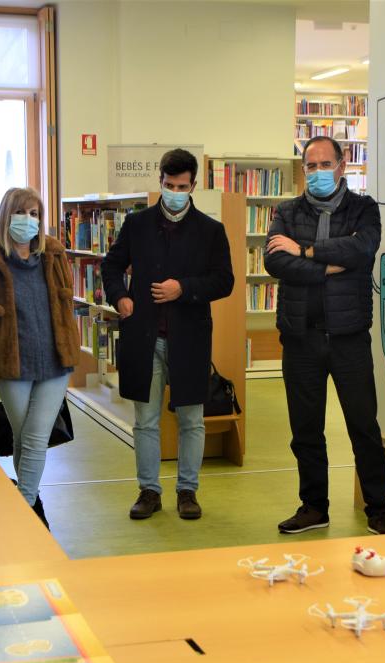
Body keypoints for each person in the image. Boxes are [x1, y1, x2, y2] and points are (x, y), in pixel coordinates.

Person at [265, 135, 385, 535]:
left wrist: (304, 252)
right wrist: (326, 266)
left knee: (364, 426)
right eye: (311, 165)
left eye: (326, 163)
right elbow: (275, 261)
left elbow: (363, 251)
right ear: (302, 168)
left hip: (349, 337)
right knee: (305, 428)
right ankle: (313, 505)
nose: (318, 171)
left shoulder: (364, 209)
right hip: (300, 336)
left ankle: (378, 508)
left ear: (342, 166)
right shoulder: (287, 211)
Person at [101, 148, 234, 522]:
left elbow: (224, 281)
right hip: (144, 337)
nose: (175, 191)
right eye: (168, 185)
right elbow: (111, 266)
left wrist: (185, 288)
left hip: (189, 339)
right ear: (159, 181)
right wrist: (120, 297)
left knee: (192, 418)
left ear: (193, 185)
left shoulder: (211, 230)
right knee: (145, 419)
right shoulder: (137, 224)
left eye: (182, 186)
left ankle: (187, 491)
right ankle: (149, 490)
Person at [0, 187, 80, 527]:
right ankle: (30, 499)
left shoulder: (54, 256)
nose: (29, 221)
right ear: (5, 217)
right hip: (10, 366)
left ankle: (25, 505)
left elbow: (65, 304)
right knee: (23, 433)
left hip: (55, 362)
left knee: (36, 434)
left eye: (35, 214)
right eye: (21, 213)